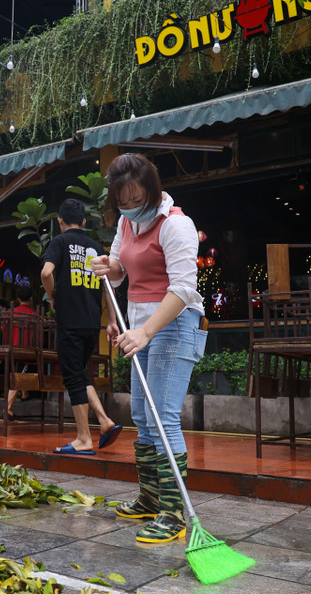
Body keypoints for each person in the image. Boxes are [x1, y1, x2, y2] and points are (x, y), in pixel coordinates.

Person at [91, 153, 207, 544]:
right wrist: (111, 268)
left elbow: (183, 288)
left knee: (163, 417)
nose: (129, 207)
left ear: (153, 191)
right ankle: (151, 498)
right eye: (121, 201)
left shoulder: (177, 225)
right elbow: (122, 271)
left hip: (174, 324)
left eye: (136, 199)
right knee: (142, 413)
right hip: (139, 326)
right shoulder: (126, 222)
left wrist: (146, 332)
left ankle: (174, 514)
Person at [41, 198, 120, 455]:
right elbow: (108, 285)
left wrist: (52, 297)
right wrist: (111, 322)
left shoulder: (59, 242)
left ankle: (83, 439)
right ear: (84, 222)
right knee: (81, 374)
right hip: (91, 322)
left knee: (73, 377)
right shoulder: (96, 246)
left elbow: (45, 273)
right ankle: (105, 421)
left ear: (59, 221)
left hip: (70, 321)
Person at [6, 285, 36, 417]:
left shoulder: (10, 313)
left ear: (18, 298)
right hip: (25, 351)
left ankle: (25, 394)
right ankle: (7, 408)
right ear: (31, 298)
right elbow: (39, 336)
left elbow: (3, 328)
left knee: (19, 372)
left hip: (11, 349)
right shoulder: (34, 315)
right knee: (18, 377)